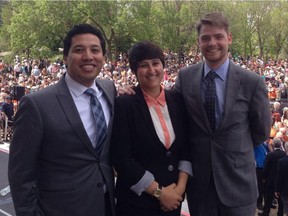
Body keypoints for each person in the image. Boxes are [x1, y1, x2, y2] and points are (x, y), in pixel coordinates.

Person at [8, 24, 116, 216]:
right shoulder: (36, 105)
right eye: (79, 50)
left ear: (103, 58)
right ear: (65, 57)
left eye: (95, 50)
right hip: (60, 209)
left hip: (107, 205)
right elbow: (20, 175)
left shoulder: (109, 90)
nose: (88, 56)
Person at [174, 12, 271, 216]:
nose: (212, 43)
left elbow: (261, 132)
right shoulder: (185, 77)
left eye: (218, 36)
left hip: (238, 184)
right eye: (205, 38)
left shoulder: (252, 82)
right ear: (198, 42)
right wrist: (133, 93)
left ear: (229, 38)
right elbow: (170, 112)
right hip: (200, 186)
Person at [111, 41, 192, 216]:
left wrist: (180, 189)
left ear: (163, 66)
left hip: (172, 201)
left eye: (155, 63)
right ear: (134, 71)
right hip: (137, 204)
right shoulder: (124, 104)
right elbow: (122, 159)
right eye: (143, 65)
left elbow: (185, 147)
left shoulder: (177, 100)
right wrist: (160, 193)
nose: (151, 70)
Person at [260, 138, 286, 216]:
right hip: (280, 180)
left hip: (270, 179)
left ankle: (266, 213)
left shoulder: (270, 154)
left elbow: (265, 167)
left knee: (268, 197)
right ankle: (280, 213)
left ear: (273, 144)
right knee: (280, 198)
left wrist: (263, 177)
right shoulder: (284, 153)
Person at [254, 141, 269, 210]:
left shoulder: (263, 144)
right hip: (259, 167)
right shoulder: (255, 144)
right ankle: (259, 202)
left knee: (265, 186)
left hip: (265, 167)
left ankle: (267, 203)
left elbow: (267, 152)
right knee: (260, 186)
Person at [275, 141, 288, 216]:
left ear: (285, 148)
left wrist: (277, 190)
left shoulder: (282, 161)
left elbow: (279, 177)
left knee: (284, 208)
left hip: (285, 190)